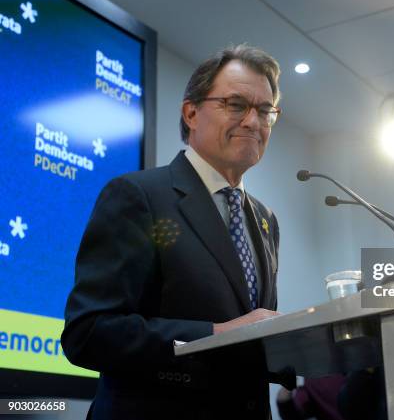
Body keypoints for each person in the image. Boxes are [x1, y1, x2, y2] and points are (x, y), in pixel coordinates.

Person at [62, 44, 283, 420]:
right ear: (191, 112)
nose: (252, 121)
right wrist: (214, 334)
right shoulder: (138, 196)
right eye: (235, 104)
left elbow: (251, 344)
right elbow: (90, 333)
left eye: (265, 110)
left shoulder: (265, 219)